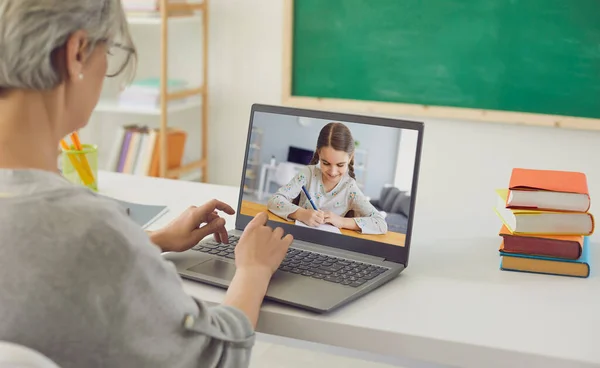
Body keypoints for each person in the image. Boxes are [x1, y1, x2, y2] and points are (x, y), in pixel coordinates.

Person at [0, 1, 293, 367]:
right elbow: (216, 356)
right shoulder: (91, 231)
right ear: (77, 53)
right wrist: (253, 270)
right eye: (108, 50)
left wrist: (149, 242)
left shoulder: (87, 236)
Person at [267, 122, 388, 235]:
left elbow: (380, 223)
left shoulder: (349, 188)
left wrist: (341, 221)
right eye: (326, 163)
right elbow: (275, 200)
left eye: (340, 165)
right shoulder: (308, 174)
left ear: (350, 158)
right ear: (319, 153)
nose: (332, 171)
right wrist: (301, 214)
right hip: (299, 237)